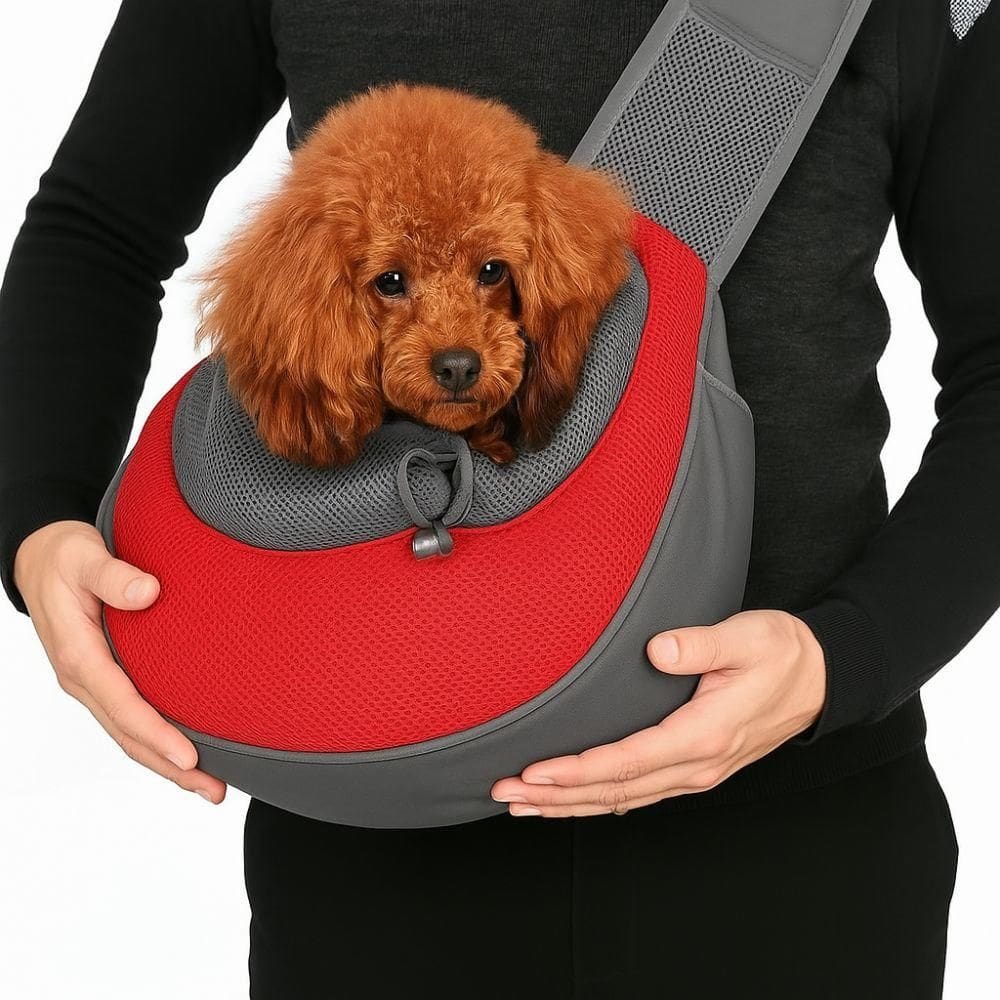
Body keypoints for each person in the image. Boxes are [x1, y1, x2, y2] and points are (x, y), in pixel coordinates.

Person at [1, 1, 996, 996]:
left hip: (800, 835)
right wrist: (38, 519)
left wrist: (844, 656)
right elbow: (101, 226)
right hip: (375, 828)